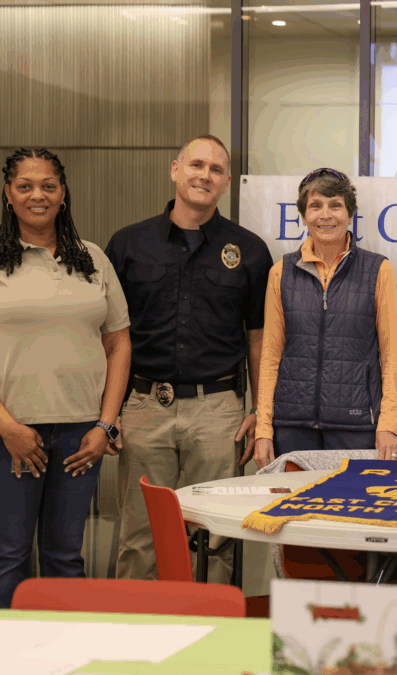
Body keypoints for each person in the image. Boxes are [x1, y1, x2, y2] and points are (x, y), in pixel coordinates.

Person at [0, 148, 131, 608]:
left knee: (66, 555)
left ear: (63, 194)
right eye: (24, 186)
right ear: (8, 194)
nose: (37, 195)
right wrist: (8, 427)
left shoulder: (93, 259)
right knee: (10, 552)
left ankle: (64, 656)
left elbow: (119, 343)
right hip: (4, 435)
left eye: (48, 185)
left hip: (80, 435)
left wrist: (105, 424)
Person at [107, 134, 273, 583]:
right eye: (197, 165)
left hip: (218, 411)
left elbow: (259, 337)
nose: (205, 175)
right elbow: (109, 339)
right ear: (175, 169)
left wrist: (261, 410)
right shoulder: (127, 245)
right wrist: (107, 413)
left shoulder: (251, 251)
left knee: (216, 539)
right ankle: (136, 641)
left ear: (224, 186)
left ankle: (212, 636)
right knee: (141, 536)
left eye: (216, 170)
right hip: (143, 408)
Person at [250, 168, 397, 466]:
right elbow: (270, 356)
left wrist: (387, 425)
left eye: (335, 205)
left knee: (349, 510)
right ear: (304, 216)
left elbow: (391, 355)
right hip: (292, 428)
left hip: (356, 427)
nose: (326, 215)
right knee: (294, 509)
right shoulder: (280, 273)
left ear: (350, 214)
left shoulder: (378, 271)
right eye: (316, 206)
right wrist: (264, 428)